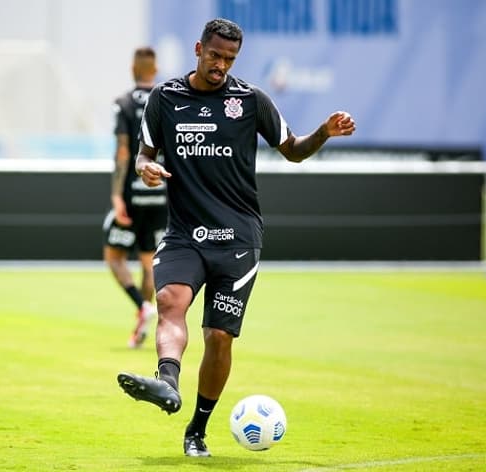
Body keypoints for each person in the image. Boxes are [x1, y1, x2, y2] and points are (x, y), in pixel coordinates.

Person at [117, 18, 355, 457]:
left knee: (218, 338)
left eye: (229, 59)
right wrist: (145, 169)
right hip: (185, 233)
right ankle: (167, 382)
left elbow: (294, 150)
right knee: (170, 299)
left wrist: (324, 132)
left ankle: (197, 430)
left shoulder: (250, 101)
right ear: (198, 49)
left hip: (238, 240)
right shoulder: (165, 99)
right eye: (215, 56)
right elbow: (143, 156)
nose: (221, 66)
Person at [102, 47, 167, 349]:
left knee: (114, 257)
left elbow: (124, 152)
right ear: (155, 70)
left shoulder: (124, 104)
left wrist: (117, 195)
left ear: (133, 69)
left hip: (131, 195)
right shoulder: (167, 101)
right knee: (149, 263)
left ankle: (142, 307)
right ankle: (143, 321)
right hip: (160, 192)